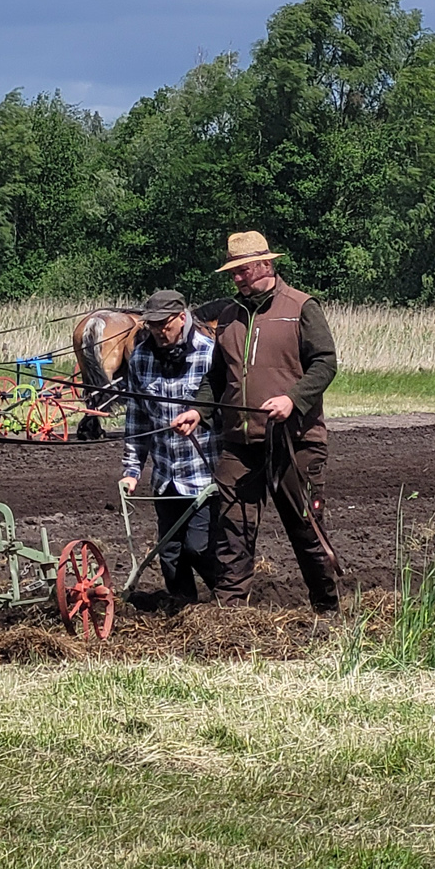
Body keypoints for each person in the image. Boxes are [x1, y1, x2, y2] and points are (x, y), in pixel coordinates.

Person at [180, 231, 341, 612]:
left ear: (266, 265)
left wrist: (293, 399)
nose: (236, 278)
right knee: (232, 530)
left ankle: (328, 609)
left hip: (295, 440)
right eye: (233, 272)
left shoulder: (301, 306)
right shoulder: (229, 318)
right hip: (239, 443)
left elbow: (325, 363)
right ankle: (230, 617)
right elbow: (216, 378)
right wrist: (198, 410)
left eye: (242, 270)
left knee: (306, 528)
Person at [118, 289, 221, 602]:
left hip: (205, 474)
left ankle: (228, 600)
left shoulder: (209, 353)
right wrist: (132, 469)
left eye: (165, 324)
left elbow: (224, 409)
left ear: (181, 317)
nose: (159, 331)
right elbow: (137, 419)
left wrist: (199, 415)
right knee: (171, 552)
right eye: (152, 325)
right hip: (166, 475)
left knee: (198, 547)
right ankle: (183, 611)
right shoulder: (141, 358)